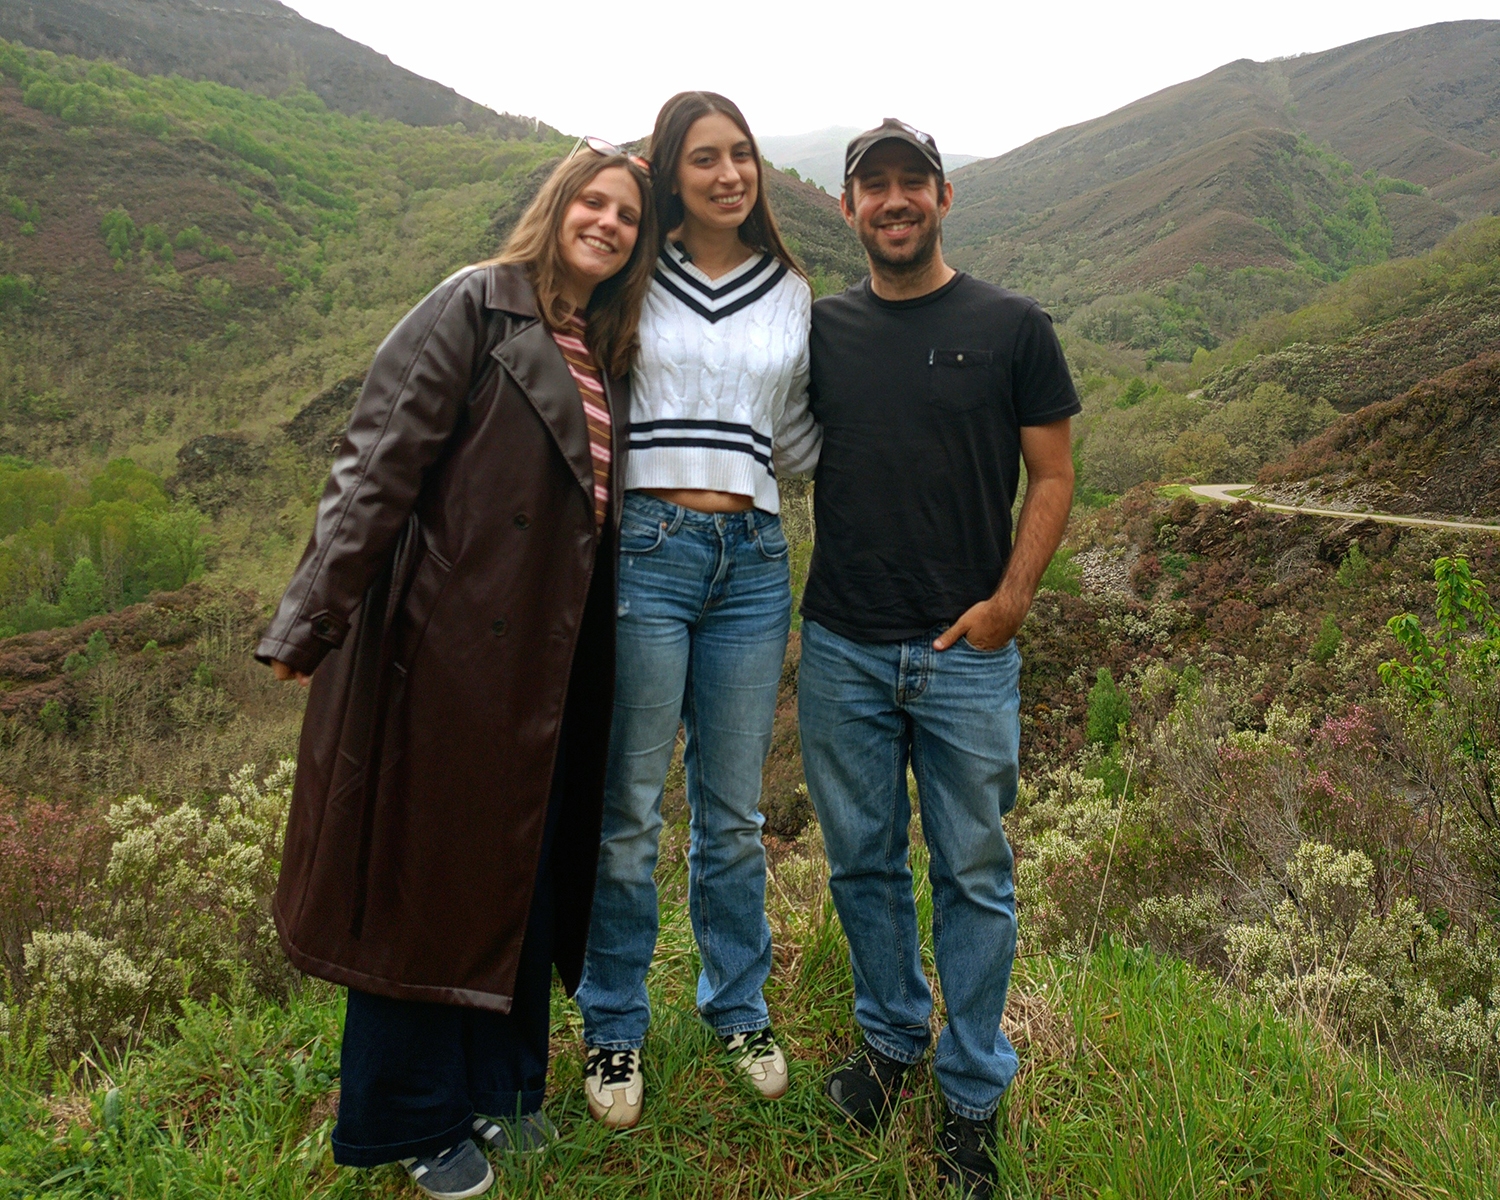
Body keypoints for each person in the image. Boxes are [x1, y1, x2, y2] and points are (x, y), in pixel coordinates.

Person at [257, 143, 656, 1199]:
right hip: (442, 656)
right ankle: (411, 1119)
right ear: (556, 205)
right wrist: (312, 618)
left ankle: (503, 1085)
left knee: (519, 868)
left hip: (551, 663)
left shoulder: (597, 344)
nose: (609, 223)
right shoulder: (475, 306)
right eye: (594, 201)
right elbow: (376, 461)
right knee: (420, 884)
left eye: (627, 214)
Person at [798, 119, 1078, 1198]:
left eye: (913, 182)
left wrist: (1010, 604)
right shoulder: (820, 329)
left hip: (965, 656)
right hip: (841, 648)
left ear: (946, 197)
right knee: (861, 862)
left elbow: (1052, 476)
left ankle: (970, 1093)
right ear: (848, 206)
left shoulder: (1012, 325)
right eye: (876, 186)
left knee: (973, 873)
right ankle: (890, 1041)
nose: (896, 200)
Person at [573, 91, 819, 1130]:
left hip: (756, 559)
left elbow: (800, 437)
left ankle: (737, 1008)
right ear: (670, 172)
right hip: (648, 553)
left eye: (744, 156)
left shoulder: (791, 290)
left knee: (731, 813)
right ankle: (614, 1022)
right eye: (706, 159)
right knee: (630, 812)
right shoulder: (632, 272)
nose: (731, 174)